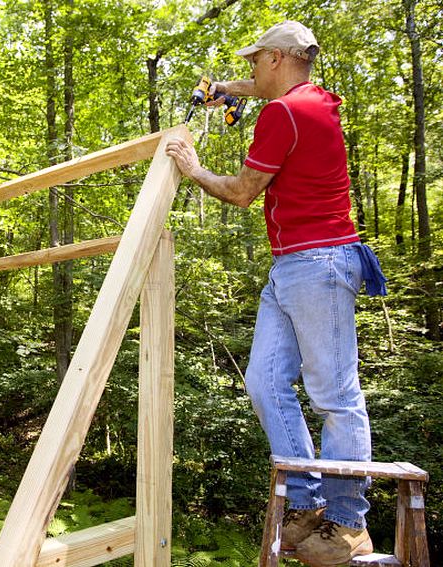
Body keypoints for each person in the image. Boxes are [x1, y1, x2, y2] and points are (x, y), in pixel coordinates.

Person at [166, 20, 387, 566]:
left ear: (278, 59)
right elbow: (266, 90)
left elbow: (241, 192)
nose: (248, 72)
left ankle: (348, 523)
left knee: (335, 395)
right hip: (291, 266)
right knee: (265, 381)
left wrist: (193, 170)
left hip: (319, 262)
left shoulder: (286, 114)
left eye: (253, 63)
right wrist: (227, 92)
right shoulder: (307, 101)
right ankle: (308, 507)